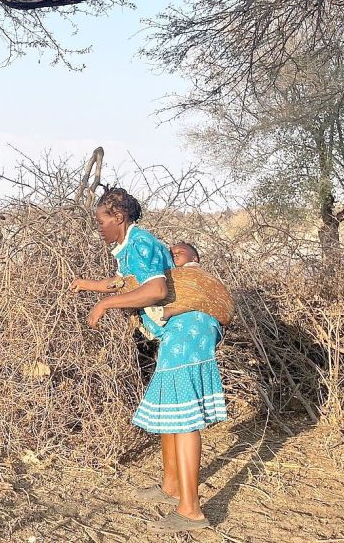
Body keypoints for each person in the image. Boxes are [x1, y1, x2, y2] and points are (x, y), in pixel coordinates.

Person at [70, 188, 226, 533]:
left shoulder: (141, 242)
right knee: (172, 410)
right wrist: (89, 286)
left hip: (188, 329)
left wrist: (105, 304)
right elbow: (125, 282)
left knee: (184, 418)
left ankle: (191, 512)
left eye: (101, 221)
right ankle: (172, 488)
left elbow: (154, 290)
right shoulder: (131, 247)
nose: (99, 228)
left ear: (119, 218)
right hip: (178, 330)